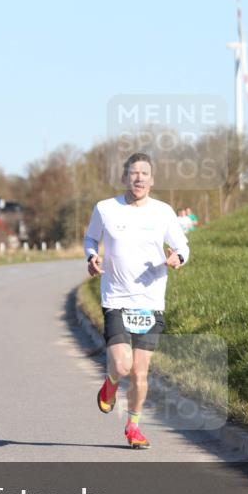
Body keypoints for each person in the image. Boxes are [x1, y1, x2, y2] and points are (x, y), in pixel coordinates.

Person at [84, 152, 189, 449]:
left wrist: (177, 257)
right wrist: (92, 258)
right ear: (124, 178)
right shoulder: (105, 209)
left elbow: (182, 245)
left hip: (151, 301)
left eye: (145, 173)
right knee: (121, 365)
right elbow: (90, 239)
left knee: (140, 372)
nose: (139, 177)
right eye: (133, 173)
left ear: (152, 180)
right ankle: (110, 384)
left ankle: (133, 428)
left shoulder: (163, 212)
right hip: (116, 298)